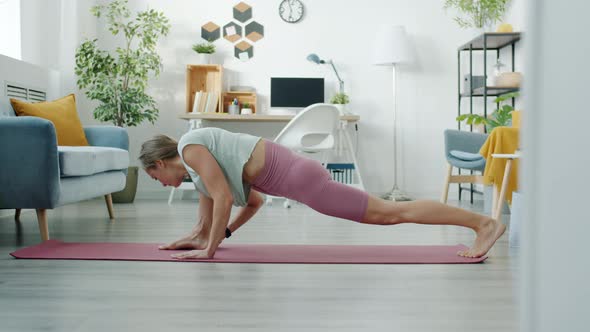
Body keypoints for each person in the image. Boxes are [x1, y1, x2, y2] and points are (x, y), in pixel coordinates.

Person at [139, 127, 505, 260]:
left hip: (303, 181)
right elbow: (252, 202)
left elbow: (221, 199)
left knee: (392, 212)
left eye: (153, 175)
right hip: (302, 179)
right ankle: (480, 224)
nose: (157, 182)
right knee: (391, 212)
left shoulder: (190, 147)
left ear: (159, 161)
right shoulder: (198, 168)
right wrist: (205, 236)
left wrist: (210, 249)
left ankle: (483, 224)